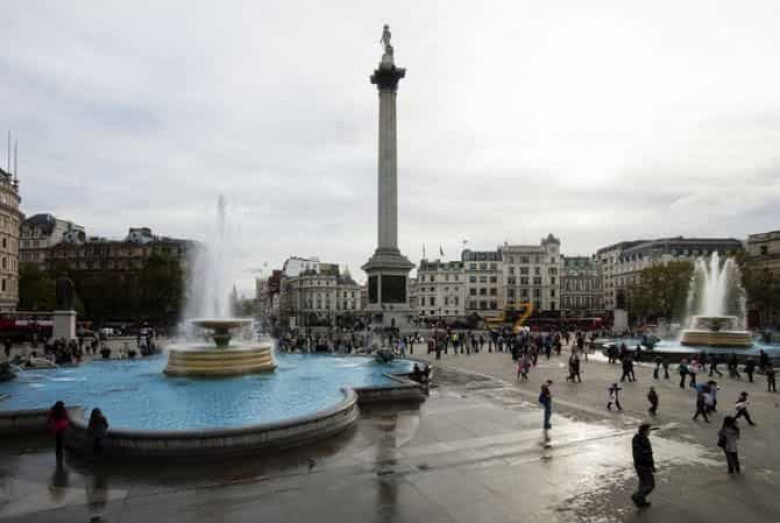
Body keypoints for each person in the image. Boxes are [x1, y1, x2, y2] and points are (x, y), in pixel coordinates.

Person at [631, 423, 655, 508]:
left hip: (641, 465)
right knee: (650, 485)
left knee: (643, 484)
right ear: (645, 431)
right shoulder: (642, 440)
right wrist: (650, 465)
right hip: (644, 466)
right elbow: (645, 454)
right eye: (649, 430)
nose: (650, 432)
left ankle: (641, 502)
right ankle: (637, 496)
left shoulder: (638, 438)